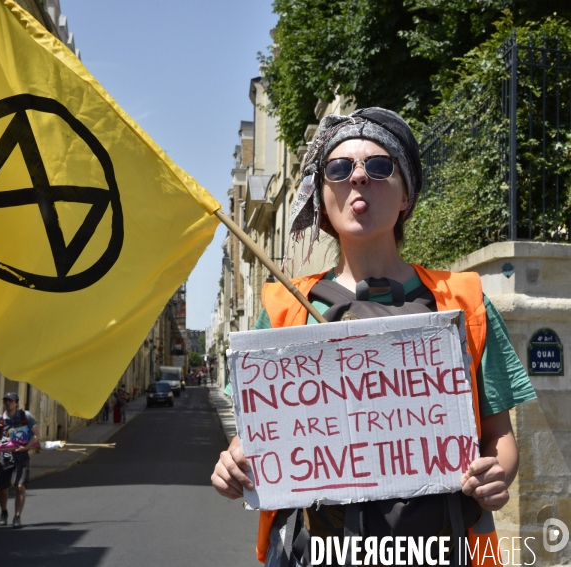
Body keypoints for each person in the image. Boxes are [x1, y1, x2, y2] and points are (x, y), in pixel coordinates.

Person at [211, 108, 536, 566]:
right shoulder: (282, 308)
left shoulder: (464, 302)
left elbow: (500, 438)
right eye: (340, 169)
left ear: (407, 196)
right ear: (323, 198)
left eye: (380, 166)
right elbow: (255, 438)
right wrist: (233, 463)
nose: (358, 178)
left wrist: (494, 475)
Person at [0, 392, 40, 529]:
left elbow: (36, 434)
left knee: (20, 486)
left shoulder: (25, 416)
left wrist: (26, 447)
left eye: (10, 400)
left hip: (21, 457)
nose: (7, 403)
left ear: (16, 403)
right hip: (4, 457)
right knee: (2, 488)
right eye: (5, 400)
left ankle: (17, 517)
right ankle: (4, 513)